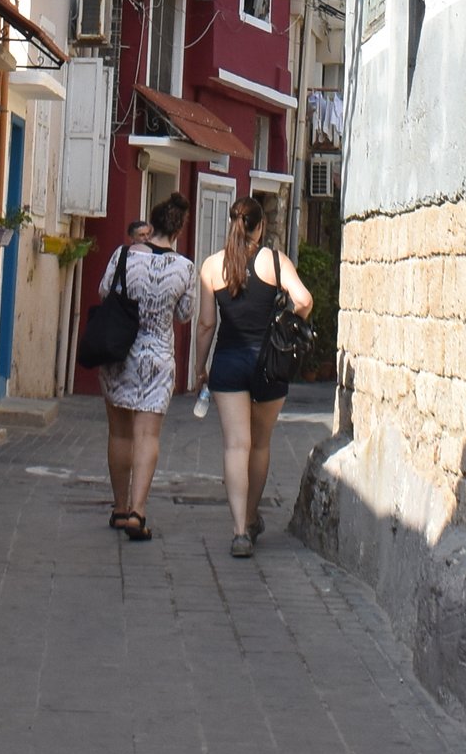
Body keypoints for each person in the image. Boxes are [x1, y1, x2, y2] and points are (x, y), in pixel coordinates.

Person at [195, 197, 314, 559]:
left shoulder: (212, 267)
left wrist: (200, 367)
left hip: (228, 362)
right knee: (259, 445)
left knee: (236, 445)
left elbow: (206, 325)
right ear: (260, 227)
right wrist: (287, 321)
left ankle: (237, 531)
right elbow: (304, 300)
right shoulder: (273, 261)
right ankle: (250, 519)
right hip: (268, 364)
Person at [96, 196, 198, 538]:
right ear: (179, 229)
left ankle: (119, 508)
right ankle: (139, 512)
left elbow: (103, 291)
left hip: (119, 353)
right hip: (157, 358)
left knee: (120, 433)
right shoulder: (184, 268)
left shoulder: (123, 256)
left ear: (150, 225)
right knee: (147, 436)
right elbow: (184, 314)